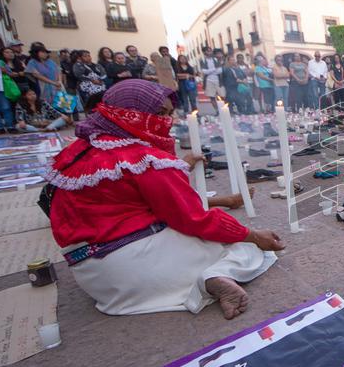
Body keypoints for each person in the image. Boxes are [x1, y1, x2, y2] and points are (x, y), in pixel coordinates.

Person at [47, 80, 284, 317]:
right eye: (159, 114)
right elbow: (193, 218)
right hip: (139, 268)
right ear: (131, 113)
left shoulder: (79, 149)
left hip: (94, 277)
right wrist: (252, 235)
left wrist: (177, 168)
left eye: (169, 114)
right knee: (243, 246)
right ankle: (212, 278)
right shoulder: (144, 158)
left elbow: (127, 194)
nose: (166, 122)